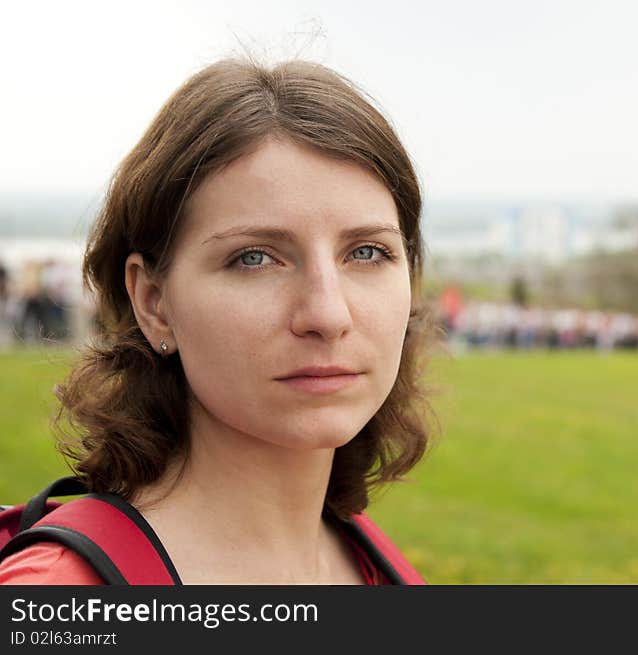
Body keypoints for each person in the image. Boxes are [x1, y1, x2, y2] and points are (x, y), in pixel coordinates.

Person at [0, 57, 438, 584]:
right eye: (254, 258)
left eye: (367, 252)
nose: (327, 313)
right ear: (154, 302)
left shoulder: (376, 565)